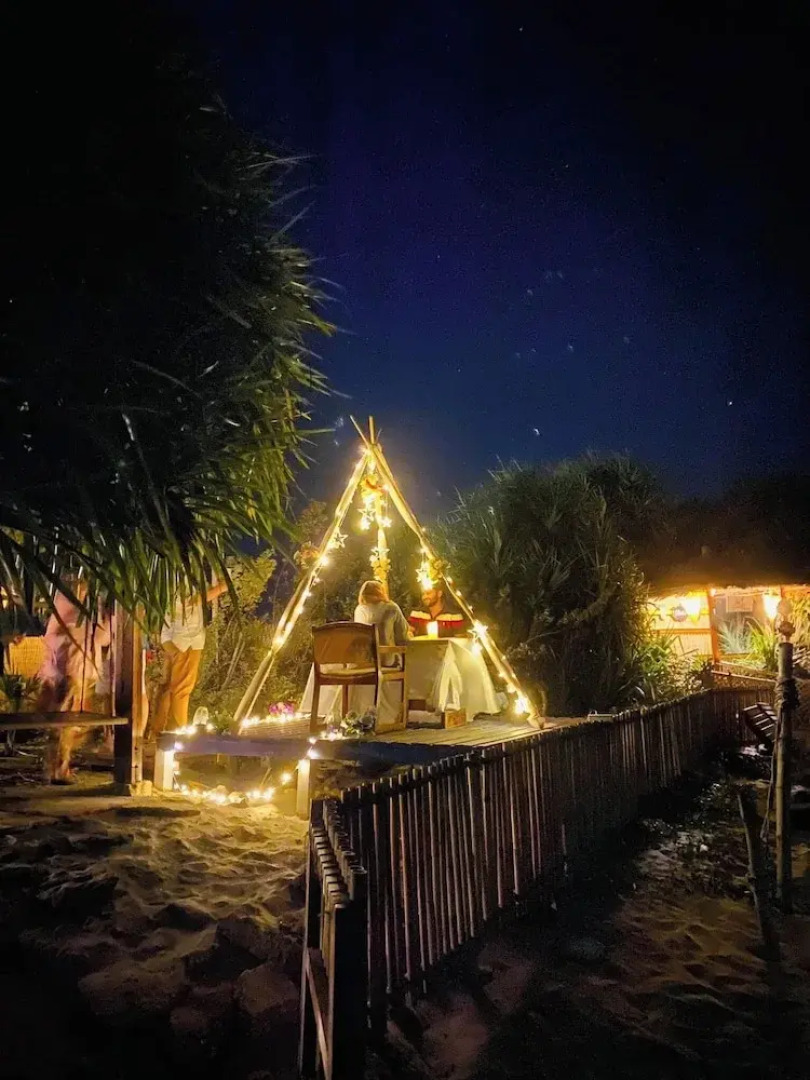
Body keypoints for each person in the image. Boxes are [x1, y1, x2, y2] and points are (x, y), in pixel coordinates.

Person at [37, 581, 111, 782]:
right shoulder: (90, 601)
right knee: (68, 721)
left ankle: (55, 766)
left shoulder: (62, 596)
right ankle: (61, 767)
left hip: (58, 662)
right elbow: (103, 637)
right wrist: (108, 618)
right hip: (78, 663)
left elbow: (53, 632)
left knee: (58, 720)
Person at [151, 581, 227, 736]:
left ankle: (160, 730)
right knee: (181, 691)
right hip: (186, 642)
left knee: (170, 689)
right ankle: (178, 732)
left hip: (179, 641)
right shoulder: (179, 580)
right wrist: (222, 587)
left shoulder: (170, 581)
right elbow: (194, 600)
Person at [354, 580, 411, 664]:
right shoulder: (391, 608)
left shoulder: (359, 609)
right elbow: (402, 638)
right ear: (381, 592)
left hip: (363, 662)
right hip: (386, 662)